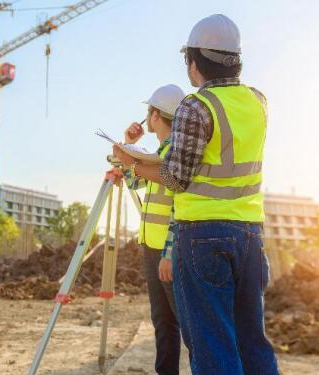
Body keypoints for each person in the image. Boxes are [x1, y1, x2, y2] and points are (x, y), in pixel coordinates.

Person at [114, 14, 279, 375]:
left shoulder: (196, 106)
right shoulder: (257, 101)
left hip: (203, 236)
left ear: (193, 63)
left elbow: (175, 178)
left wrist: (132, 162)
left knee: (212, 347)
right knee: (252, 342)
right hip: (250, 235)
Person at [109, 84, 185, 375]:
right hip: (153, 248)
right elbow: (136, 183)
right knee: (163, 323)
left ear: (154, 115)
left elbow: (181, 204)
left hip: (168, 252)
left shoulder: (175, 156)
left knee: (185, 323)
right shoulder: (158, 154)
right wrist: (129, 145)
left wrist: (170, 252)